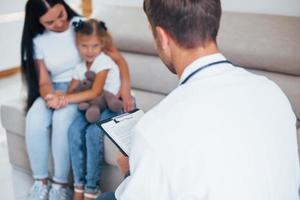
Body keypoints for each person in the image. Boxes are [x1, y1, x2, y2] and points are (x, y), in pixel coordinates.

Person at [98, 0, 300, 199]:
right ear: (214, 24)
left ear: (162, 37)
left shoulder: (157, 127)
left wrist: (129, 172)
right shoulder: (273, 92)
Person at [21, 0, 134, 200]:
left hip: (83, 87)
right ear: (37, 22)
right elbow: (44, 81)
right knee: (34, 118)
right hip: (55, 89)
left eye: (61, 15)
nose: (59, 23)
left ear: (65, 6)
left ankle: (60, 184)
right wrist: (51, 97)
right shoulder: (38, 40)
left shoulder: (83, 27)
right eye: (49, 22)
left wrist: (125, 88)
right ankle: (40, 182)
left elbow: (118, 59)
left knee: (62, 119)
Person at [49, 18, 123, 200]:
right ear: (77, 44)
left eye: (94, 46)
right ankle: (78, 187)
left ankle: (91, 188)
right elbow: (72, 90)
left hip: (110, 105)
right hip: (92, 108)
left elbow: (95, 91)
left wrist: (66, 98)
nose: (89, 51)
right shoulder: (80, 66)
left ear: (102, 44)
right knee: (74, 130)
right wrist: (58, 96)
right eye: (84, 46)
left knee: (92, 133)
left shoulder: (103, 62)